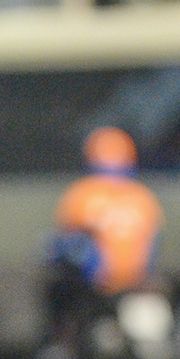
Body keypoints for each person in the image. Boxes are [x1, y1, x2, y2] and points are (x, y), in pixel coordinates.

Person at [51, 126, 163, 295]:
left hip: (109, 286)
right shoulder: (142, 195)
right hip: (125, 285)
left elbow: (66, 236)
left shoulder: (82, 193)